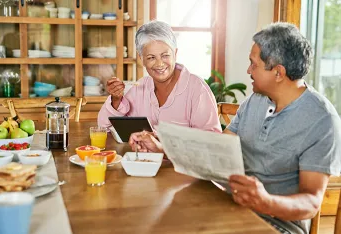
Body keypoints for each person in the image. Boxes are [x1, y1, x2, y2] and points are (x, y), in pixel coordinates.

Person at [128, 22, 341, 234]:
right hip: (226, 204)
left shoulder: (321, 119)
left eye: (253, 64)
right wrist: (163, 147)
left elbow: (311, 202)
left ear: (278, 73)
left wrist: (266, 202)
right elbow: (215, 151)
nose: (248, 70)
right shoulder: (255, 101)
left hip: (274, 224)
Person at [98, 20, 221, 133]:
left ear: (175, 53)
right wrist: (116, 100)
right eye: (151, 57)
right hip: (143, 157)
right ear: (141, 59)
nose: (159, 64)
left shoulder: (197, 89)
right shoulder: (139, 88)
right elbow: (105, 128)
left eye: (165, 55)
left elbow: (211, 140)